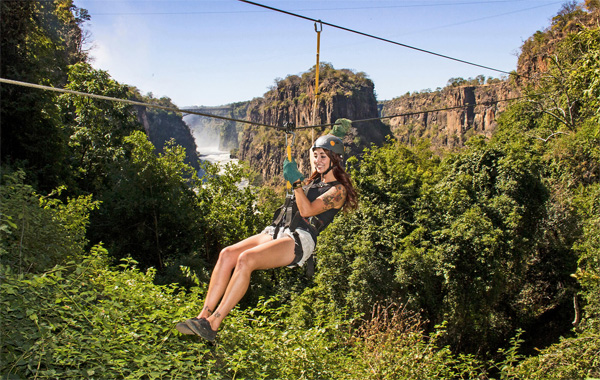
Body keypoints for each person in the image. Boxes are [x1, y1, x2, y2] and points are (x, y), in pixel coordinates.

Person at [176, 133, 358, 342]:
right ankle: (202, 317)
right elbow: (310, 170)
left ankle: (213, 324)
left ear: (335, 159)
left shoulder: (338, 191)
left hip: (300, 238)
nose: (317, 160)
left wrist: (296, 182)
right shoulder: (315, 181)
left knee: (246, 260)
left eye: (323, 157)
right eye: (315, 155)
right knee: (227, 254)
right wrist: (299, 154)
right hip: (280, 229)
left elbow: (307, 211)